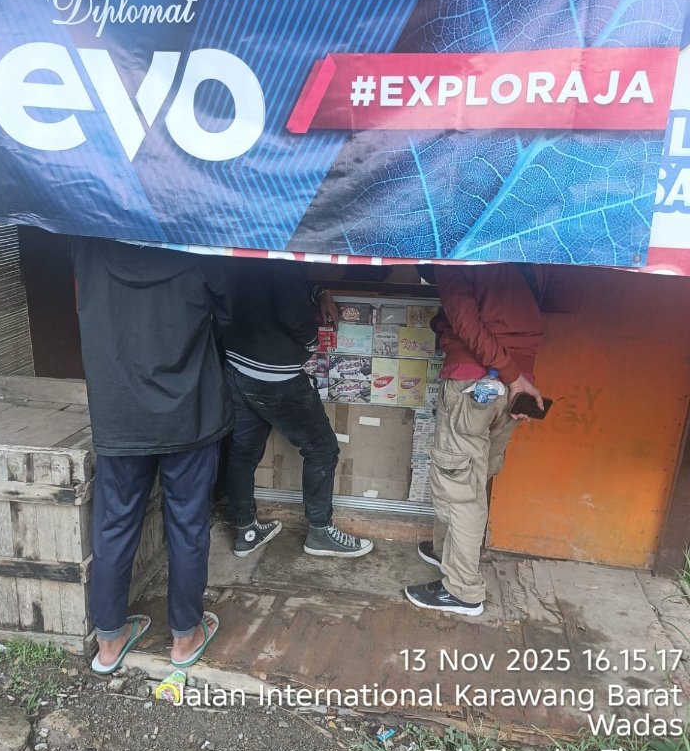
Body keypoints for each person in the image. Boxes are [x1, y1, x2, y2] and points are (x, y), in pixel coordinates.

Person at [71, 238, 234, 673]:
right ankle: (184, 638)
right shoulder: (199, 242)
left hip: (119, 410)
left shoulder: (87, 242)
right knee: (188, 523)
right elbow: (227, 317)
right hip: (190, 410)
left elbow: (84, 303)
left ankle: (109, 643)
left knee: (114, 523)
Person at [404, 263, 576, 617]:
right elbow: (558, 301)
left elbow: (465, 321)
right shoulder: (535, 251)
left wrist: (510, 375)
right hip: (517, 386)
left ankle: (462, 591)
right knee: (473, 476)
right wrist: (519, 378)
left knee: (459, 485)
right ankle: (445, 552)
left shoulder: (457, 254)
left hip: (475, 381)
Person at [222, 258, 373, 559]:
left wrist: (320, 292)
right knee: (322, 449)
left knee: (243, 451)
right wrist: (311, 341)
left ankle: (246, 530)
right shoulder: (285, 255)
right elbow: (290, 307)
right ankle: (320, 531)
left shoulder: (253, 246)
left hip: (236, 365)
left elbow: (278, 285)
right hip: (274, 376)